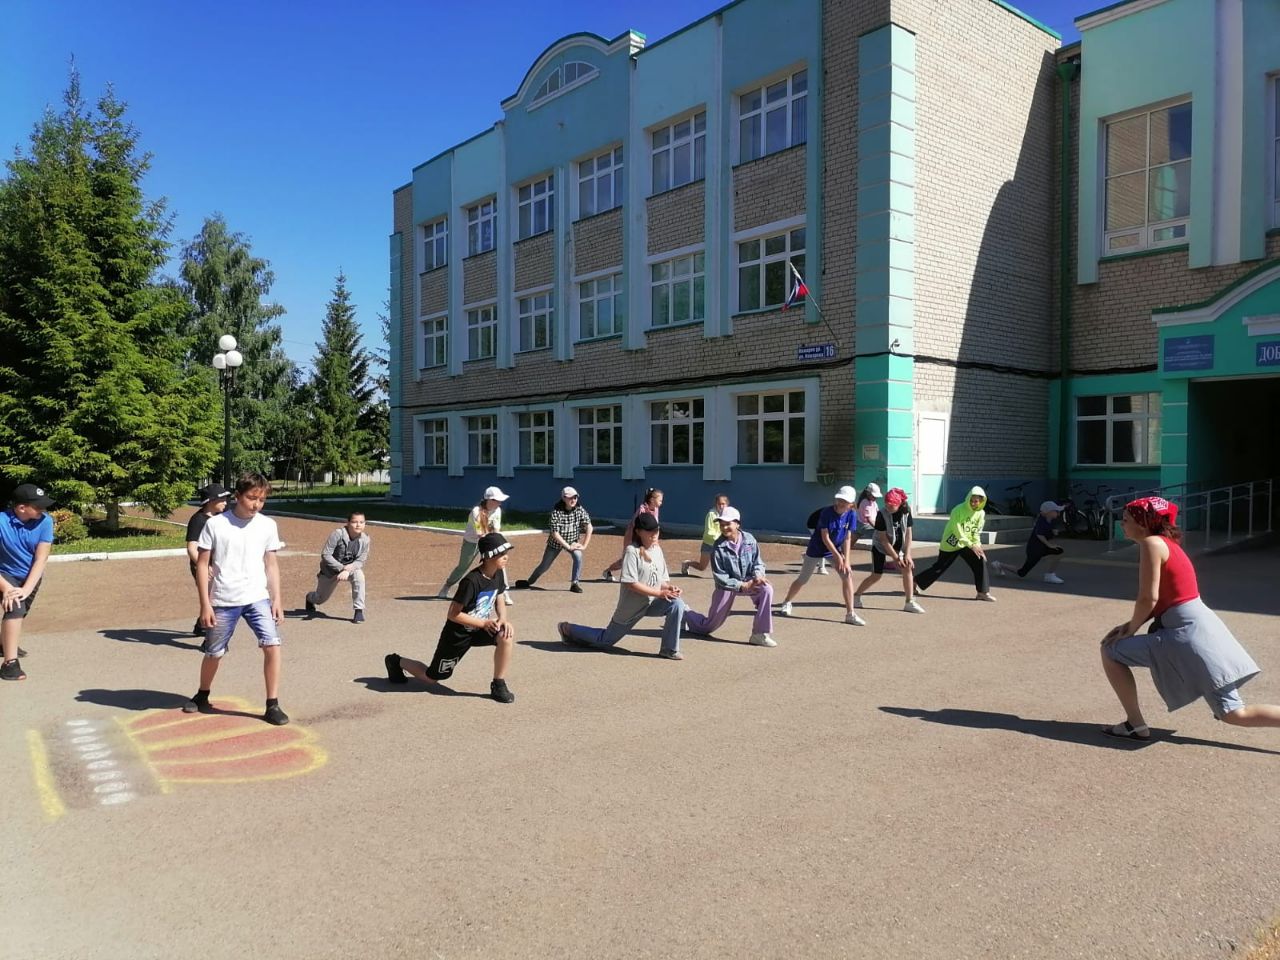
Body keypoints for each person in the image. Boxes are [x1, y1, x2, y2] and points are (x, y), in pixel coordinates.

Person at [1099, 496, 1280, 740]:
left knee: (1110, 651)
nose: (1122, 524)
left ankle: (1135, 724)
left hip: (1184, 635)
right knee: (1234, 713)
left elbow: (1148, 598)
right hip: (1201, 631)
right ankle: (1134, 725)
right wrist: (1129, 626)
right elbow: (1168, 598)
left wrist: (1130, 630)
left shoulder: (1151, 544)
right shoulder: (1168, 544)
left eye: (1126, 519)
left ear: (1143, 523)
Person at [183, 473, 289, 725]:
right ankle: (202, 694)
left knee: (272, 645)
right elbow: (202, 564)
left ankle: (272, 704)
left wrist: (276, 599)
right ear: (238, 496)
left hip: (257, 598)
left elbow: (271, 564)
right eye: (252, 498)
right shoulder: (216, 525)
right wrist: (205, 604)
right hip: (224, 599)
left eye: (261, 500)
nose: (256, 504)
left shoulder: (267, 525)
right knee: (214, 653)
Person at [385, 532, 516, 703]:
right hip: (457, 635)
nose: (506, 557)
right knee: (432, 678)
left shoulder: (498, 574)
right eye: (501, 554)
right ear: (488, 556)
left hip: (480, 628)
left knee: (505, 636)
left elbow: (499, 595)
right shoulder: (471, 581)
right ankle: (396, 661)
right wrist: (484, 623)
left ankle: (498, 684)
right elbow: (453, 614)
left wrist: (503, 618)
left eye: (506, 553)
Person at [558, 513, 685, 659]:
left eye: (656, 530)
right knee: (604, 641)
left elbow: (659, 580)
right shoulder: (632, 551)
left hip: (652, 602)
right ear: (639, 532)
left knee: (677, 604)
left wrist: (669, 588)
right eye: (650, 531)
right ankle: (567, 629)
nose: (654, 533)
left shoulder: (657, 550)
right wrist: (659, 593)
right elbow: (631, 584)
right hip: (631, 607)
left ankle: (669, 649)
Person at [684, 507, 777, 646]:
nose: (724, 527)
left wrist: (758, 575)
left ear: (737, 524)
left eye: (728, 524)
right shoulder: (718, 547)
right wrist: (741, 585)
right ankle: (685, 614)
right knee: (707, 627)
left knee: (766, 589)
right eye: (721, 525)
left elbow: (758, 562)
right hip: (726, 586)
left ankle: (759, 634)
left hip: (749, 580)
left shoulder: (749, 539)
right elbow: (720, 577)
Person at [776, 485, 865, 625]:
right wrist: (838, 556)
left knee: (847, 575)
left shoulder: (852, 515)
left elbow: (848, 538)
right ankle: (787, 602)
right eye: (839, 499)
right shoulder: (826, 513)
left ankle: (850, 614)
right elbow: (825, 537)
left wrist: (846, 560)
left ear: (851, 504)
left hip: (834, 549)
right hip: (816, 548)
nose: (841, 503)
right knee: (803, 579)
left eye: (845, 501)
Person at [1, 483, 56, 682]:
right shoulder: (1, 522)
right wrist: (8, 588)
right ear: (21, 507)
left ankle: (4, 643)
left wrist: (26, 589)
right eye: (38, 506)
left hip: (30, 576)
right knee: (15, 608)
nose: (43, 509)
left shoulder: (45, 521)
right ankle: (10, 664)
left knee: (21, 611)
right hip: (4, 574)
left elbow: (41, 558)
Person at [913, 486, 995, 601]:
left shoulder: (981, 513)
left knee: (979, 560)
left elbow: (976, 531)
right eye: (971, 500)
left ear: (981, 501)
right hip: (952, 542)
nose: (973, 503)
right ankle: (914, 582)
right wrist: (971, 545)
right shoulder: (958, 510)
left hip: (967, 544)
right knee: (939, 567)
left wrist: (977, 546)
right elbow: (957, 530)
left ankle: (982, 592)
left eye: (976, 501)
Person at [439, 486, 514, 605]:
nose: (500, 503)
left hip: (489, 541)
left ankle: (504, 593)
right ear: (489, 500)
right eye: (497, 500)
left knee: (499, 564)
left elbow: (496, 530)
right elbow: (481, 534)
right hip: (472, 542)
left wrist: (498, 546)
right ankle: (447, 586)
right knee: (463, 566)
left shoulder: (497, 510)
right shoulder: (476, 511)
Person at [854, 488, 924, 613]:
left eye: (891, 506)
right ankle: (856, 596)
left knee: (907, 568)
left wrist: (907, 554)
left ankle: (909, 602)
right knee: (876, 575)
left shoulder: (906, 511)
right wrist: (895, 558)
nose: (888, 507)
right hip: (880, 546)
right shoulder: (881, 514)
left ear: (899, 504)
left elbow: (909, 534)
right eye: (886, 504)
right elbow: (883, 539)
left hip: (898, 545)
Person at [513, 487, 592, 593]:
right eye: (570, 498)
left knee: (578, 556)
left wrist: (584, 545)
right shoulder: (556, 512)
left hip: (572, 541)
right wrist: (568, 547)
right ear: (564, 498)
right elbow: (555, 534)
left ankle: (574, 583)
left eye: (575, 497)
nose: (573, 500)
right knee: (544, 566)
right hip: (555, 543)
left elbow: (589, 527)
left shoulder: (579, 509)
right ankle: (529, 581)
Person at [305, 511, 371, 623]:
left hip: (349, 570)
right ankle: (309, 598)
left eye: (361, 522)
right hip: (329, 571)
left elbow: (361, 560)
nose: (358, 525)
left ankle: (358, 611)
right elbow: (326, 554)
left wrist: (348, 569)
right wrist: (342, 568)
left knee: (359, 576)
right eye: (354, 522)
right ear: (348, 523)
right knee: (320, 599)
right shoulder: (338, 534)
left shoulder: (365, 539)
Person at [186, 483, 230, 636]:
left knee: (213, 598)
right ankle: (211, 638)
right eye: (222, 499)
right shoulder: (198, 520)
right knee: (214, 599)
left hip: (217, 564)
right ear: (211, 501)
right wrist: (203, 566)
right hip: (202, 565)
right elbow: (192, 548)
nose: (225, 502)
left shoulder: (221, 518)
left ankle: (201, 624)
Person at [991, 501, 1066, 584]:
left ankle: (1050, 575)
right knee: (1022, 573)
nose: (1058, 513)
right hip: (1034, 549)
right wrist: (1050, 545)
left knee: (1059, 551)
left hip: (1042, 547)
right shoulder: (1041, 522)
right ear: (1048, 512)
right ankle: (999, 565)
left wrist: (1053, 534)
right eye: (1056, 511)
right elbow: (1040, 535)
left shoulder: (1050, 521)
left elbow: (1048, 534)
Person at [603, 487, 662, 581]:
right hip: (633, 536)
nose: (661, 503)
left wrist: (655, 540)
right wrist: (639, 541)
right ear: (652, 500)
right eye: (660, 500)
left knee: (646, 556)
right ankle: (608, 571)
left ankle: (643, 577)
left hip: (646, 538)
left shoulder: (656, 509)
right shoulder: (642, 510)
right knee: (627, 558)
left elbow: (656, 525)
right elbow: (636, 526)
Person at [681, 493, 729, 577]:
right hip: (709, 543)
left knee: (724, 562)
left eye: (723, 504)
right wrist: (720, 538)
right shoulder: (711, 514)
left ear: (727, 504)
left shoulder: (728, 515)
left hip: (721, 544)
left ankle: (724, 578)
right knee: (702, 567)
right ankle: (687, 563)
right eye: (719, 504)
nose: (721, 506)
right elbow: (709, 531)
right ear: (716, 504)